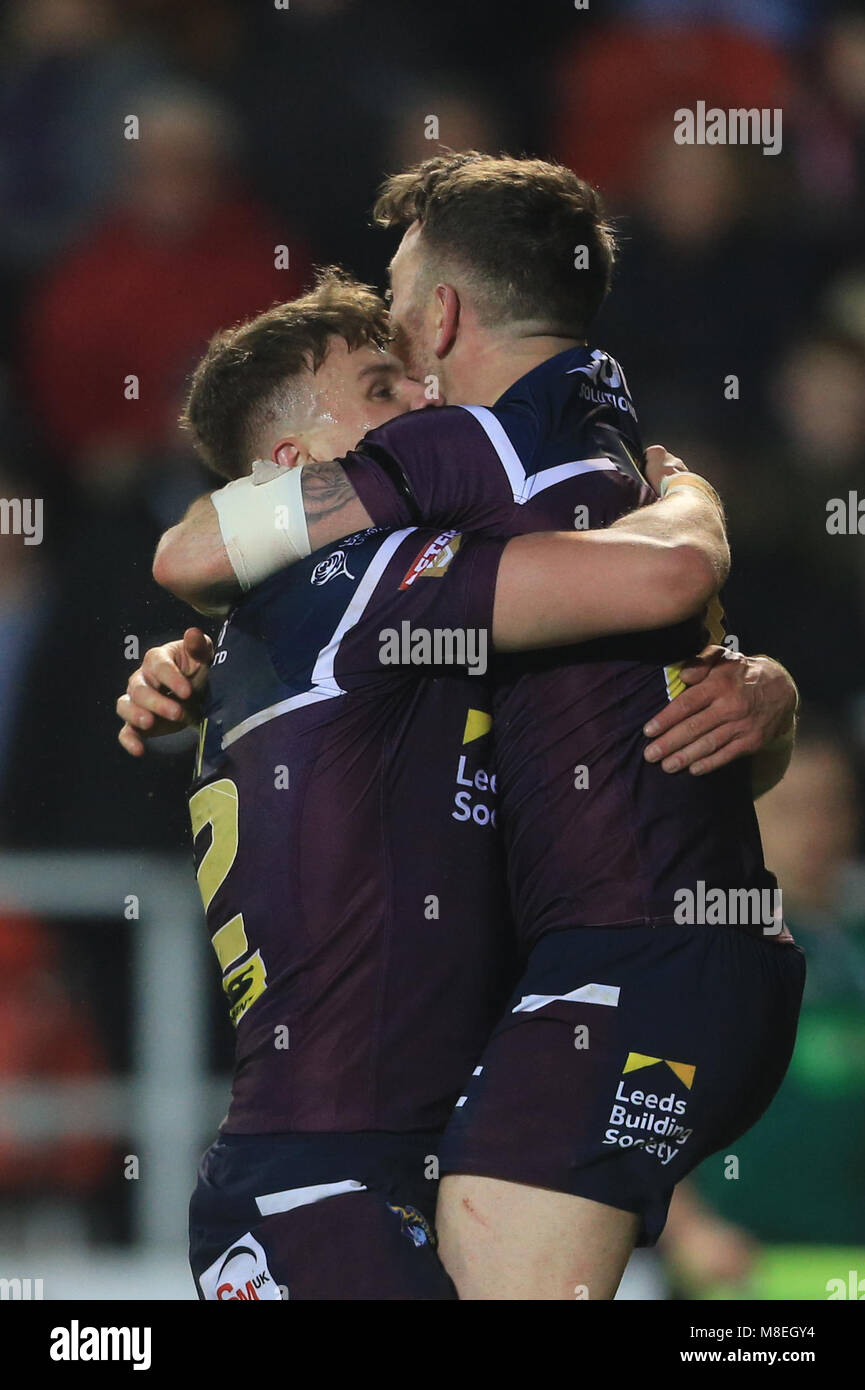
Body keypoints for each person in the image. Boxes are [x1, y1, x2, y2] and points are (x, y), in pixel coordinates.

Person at [143, 154, 803, 1300]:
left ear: (446, 308)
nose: (415, 391)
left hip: (500, 1058)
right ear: (300, 468)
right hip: (332, 1171)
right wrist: (691, 503)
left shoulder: (471, 518)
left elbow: (633, 711)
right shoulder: (398, 556)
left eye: (406, 353)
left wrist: (759, 687)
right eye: (381, 384)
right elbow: (189, 553)